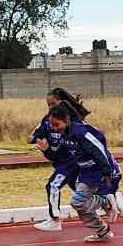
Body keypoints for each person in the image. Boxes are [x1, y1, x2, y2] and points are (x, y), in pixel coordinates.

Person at [45, 101, 123, 241]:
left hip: (101, 171)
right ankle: (102, 232)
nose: (55, 129)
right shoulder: (65, 136)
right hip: (86, 173)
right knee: (78, 204)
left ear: (67, 120)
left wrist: (107, 172)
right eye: (52, 126)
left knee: (78, 202)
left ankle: (106, 201)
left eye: (57, 125)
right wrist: (47, 151)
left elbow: (99, 151)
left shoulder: (81, 133)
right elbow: (58, 157)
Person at [30, 87, 86, 231]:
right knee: (80, 189)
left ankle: (55, 219)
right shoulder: (47, 120)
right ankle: (108, 200)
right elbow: (34, 135)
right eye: (48, 105)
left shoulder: (72, 121)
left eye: (53, 104)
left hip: (71, 161)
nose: (50, 107)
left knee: (53, 185)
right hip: (59, 161)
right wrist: (39, 142)